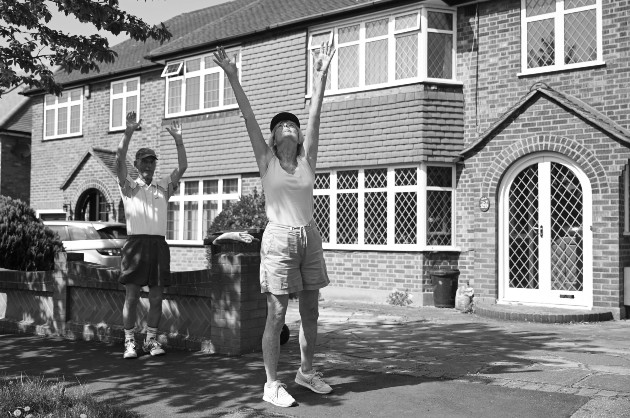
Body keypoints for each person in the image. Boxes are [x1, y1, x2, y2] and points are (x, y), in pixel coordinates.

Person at [213, 40, 336, 407]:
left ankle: (306, 371)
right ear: (272, 136)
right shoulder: (266, 161)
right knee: (277, 312)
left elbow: (314, 115)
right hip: (279, 238)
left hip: (309, 236)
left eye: (292, 125)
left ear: (298, 137)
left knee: (311, 311)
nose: (288, 127)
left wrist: (321, 74)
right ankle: (270, 384)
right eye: (281, 125)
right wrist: (233, 77)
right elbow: (249, 117)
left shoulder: (306, 160)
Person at [115, 111, 187, 359]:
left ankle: (151, 340)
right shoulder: (128, 187)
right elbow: (118, 159)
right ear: (136, 165)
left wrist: (178, 140)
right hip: (135, 245)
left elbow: (183, 167)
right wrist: (129, 132)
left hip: (158, 246)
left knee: (157, 299)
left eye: (151, 161)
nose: (148, 165)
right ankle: (129, 342)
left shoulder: (163, 187)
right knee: (132, 297)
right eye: (144, 161)